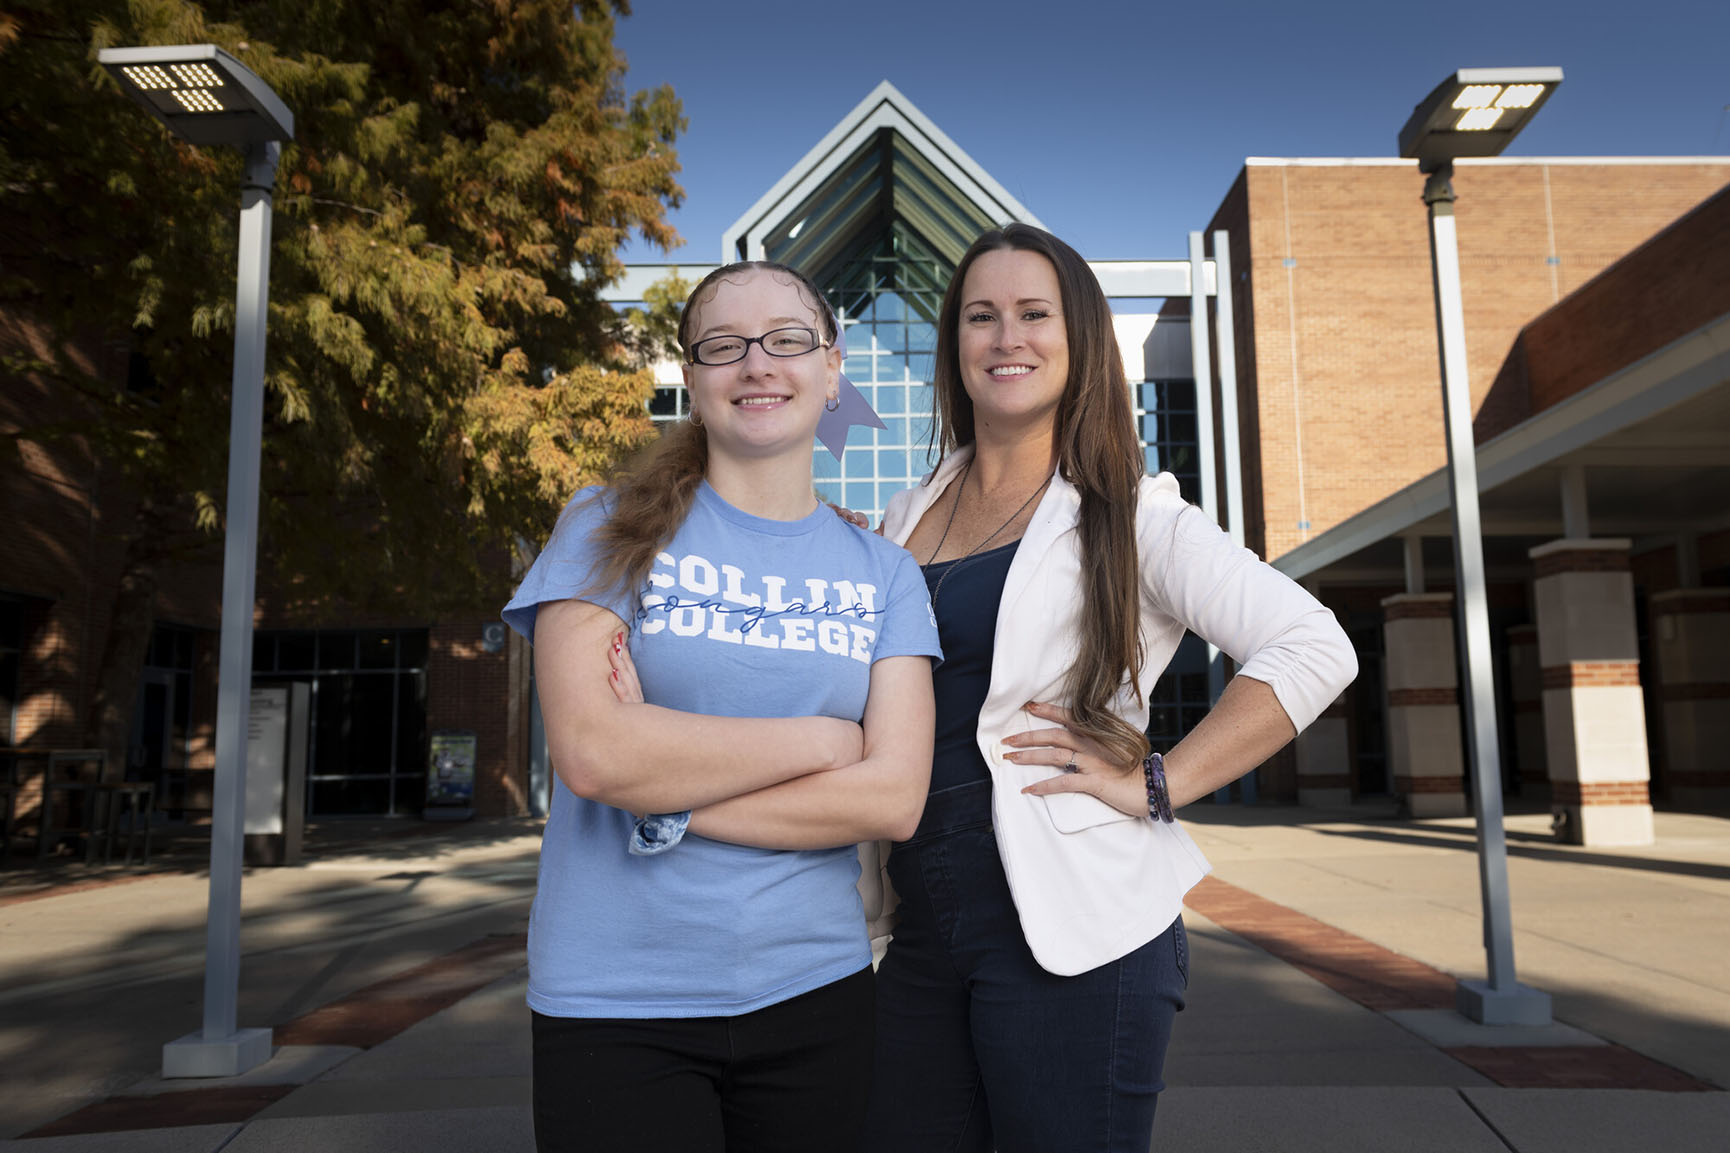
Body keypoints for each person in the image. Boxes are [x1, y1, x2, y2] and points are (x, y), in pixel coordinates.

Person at [858, 224, 1358, 1153]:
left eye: (1034, 313)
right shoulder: (905, 514)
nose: (1007, 337)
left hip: (1077, 929)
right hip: (921, 922)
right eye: (981, 316)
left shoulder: (1132, 512)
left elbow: (1311, 644)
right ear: (955, 343)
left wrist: (1159, 781)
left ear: (1080, 337)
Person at [501, 260, 941, 1153]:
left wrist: (661, 792)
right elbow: (591, 753)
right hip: (616, 1002)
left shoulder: (885, 572)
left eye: (787, 339)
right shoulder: (603, 526)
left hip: (816, 991)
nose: (757, 363)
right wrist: (826, 740)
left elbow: (893, 798)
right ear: (693, 380)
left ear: (832, 367)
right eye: (725, 345)